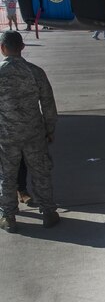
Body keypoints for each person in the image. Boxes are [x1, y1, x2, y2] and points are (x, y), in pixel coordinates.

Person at [0, 30, 59, 233]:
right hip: (34, 133)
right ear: (22, 47)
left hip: (7, 136)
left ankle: (8, 217)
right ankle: (48, 212)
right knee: (41, 173)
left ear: (2, 48)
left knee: (7, 176)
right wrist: (50, 129)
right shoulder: (35, 72)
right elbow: (48, 104)